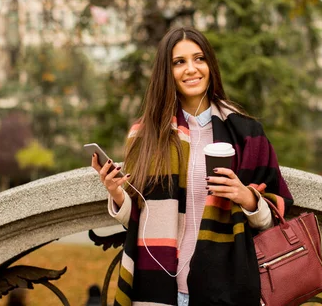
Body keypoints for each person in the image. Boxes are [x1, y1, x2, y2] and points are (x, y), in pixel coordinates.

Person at [91, 27, 293, 306]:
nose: (191, 69)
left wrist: (246, 197)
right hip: (159, 286)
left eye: (199, 59)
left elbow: (277, 210)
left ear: (210, 64)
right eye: (179, 62)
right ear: (167, 71)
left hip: (224, 285)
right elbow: (139, 219)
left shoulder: (246, 133)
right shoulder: (147, 134)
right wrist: (117, 194)